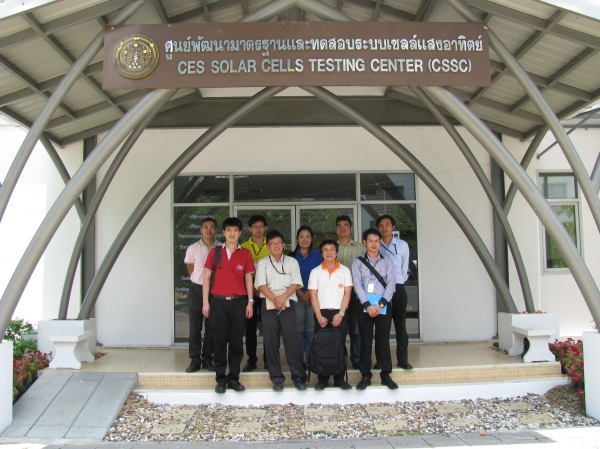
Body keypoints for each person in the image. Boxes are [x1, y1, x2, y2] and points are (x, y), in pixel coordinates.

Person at [203, 217, 255, 393]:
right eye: (229, 230)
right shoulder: (214, 252)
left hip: (238, 303)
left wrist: (250, 302)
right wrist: (205, 302)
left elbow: (248, 279)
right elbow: (206, 278)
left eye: (235, 230)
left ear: (240, 233)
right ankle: (220, 379)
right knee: (219, 341)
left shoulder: (246, 253)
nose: (232, 233)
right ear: (224, 232)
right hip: (217, 302)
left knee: (236, 342)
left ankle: (234, 378)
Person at [255, 230, 308, 391]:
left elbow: (295, 283)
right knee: (271, 342)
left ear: (284, 245)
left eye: (279, 243)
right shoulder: (263, 263)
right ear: (268, 246)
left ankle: (298, 377)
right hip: (269, 306)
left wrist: (282, 298)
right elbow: (261, 285)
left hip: (288, 306)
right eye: (272, 243)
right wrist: (275, 299)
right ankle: (277, 379)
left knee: (293, 341)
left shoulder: (292, 262)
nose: (276, 246)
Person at [352, 228, 398, 390]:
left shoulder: (387, 261)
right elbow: (357, 285)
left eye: (376, 241)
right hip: (365, 307)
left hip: (382, 307)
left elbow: (391, 285)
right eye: (370, 241)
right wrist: (368, 306)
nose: (373, 244)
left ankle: (386, 375)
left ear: (380, 243)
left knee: (383, 342)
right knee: (365, 341)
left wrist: (380, 305)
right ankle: (366, 375)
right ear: (365, 242)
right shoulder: (357, 262)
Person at [308, 239, 353, 390]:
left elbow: (347, 294)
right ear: (321, 254)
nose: (329, 252)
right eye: (325, 250)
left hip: (339, 313)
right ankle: (322, 379)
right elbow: (313, 296)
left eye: (332, 249)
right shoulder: (315, 272)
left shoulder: (345, 271)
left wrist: (341, 314)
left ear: (337, 252)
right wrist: (319, 316)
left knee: (339, 345)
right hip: (321, 313)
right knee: (322, 345)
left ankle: (339, 378)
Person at [184, 217, 220, 373]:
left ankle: (207, 359)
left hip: (215, 291)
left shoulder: (221, 248)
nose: (209, 230)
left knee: (211, 328)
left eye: (212, 227)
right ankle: (195, 360)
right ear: (201, 230)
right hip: (197, 290)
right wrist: (199, 280)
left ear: (216, 230)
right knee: (195, 327)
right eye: (206, 227)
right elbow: (191, 268)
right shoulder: (193, 248)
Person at [377, 214, 412, 370]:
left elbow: (404, 268)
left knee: (400, 325)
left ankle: (403, 360)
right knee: (381, 326)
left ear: (393, 227)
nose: (384, 228)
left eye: (387, 225)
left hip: (398, 288)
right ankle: (381, 360)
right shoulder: (375, 244)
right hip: (380, 289)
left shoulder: (402, 245)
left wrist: (398, 283)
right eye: (381, 225)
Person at [289, 226, 323, 369]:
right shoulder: (291, 256)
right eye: (301, 236)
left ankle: (311, 359)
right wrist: (301, 293)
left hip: (313, 297)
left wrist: (309, 292)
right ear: (297, 239)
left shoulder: (318, 255)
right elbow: (289, 277)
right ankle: (299, 361)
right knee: (299, 330)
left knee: (310, 330)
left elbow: (321, 275)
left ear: (312, 239)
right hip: (296, 297)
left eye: (308, 236)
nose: (305, 239)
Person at [240, 215, 270, 372]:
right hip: (248, 291)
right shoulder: (243, 247)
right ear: (249, 229)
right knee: (250, 328)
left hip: (267, 292)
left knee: (268, 327)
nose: (258, 229)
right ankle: (251, 360)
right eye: (255, 227)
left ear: (265, 228)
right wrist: (251, 288)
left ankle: (268, 360)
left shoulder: (271, 245)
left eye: (261, 226)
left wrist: (262, 287)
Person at [334, 215, 364, 370]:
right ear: (335, 229)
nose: (343, 228)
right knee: (338, 328)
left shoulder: (361, 248)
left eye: (346, 225)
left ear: (351, 228)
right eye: (339, 226)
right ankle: (340, 358)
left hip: (356, 294)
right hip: (336, 295)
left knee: (356, 328)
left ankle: (356, 358)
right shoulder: (332, 248)